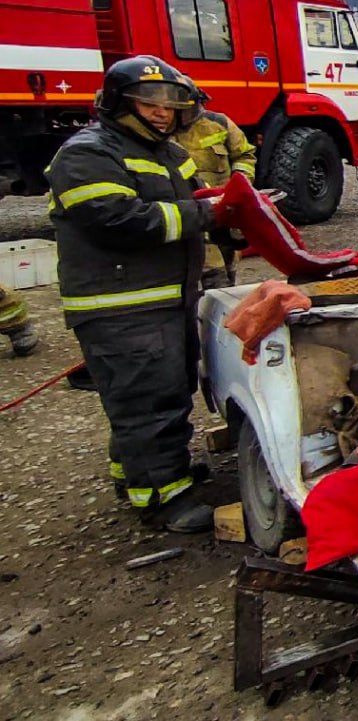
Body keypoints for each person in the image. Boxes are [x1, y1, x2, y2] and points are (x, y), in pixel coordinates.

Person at [45, 55, 229, 533]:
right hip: (119, 307)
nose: (162, 114)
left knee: (164, 392)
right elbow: (117, 219)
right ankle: (162, 501)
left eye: (170, 105)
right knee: (147, 402)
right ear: (118, 103)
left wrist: (237, 212)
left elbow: (200, 198)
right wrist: (204, 218)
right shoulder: (87, 154)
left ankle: (143, 475)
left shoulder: (167, 153)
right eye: (150, 104)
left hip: (163, 298)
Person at [173, 90, 257, 287]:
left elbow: (245, 155)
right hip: (193, 214)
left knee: (230, 267)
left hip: (225, 210)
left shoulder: (218, 123)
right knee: (213, 276)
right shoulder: (160, 133)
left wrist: (240, 183)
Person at [0, 285, 38, 356]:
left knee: (24, 342)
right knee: (25, 343)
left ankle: (24, 341)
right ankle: (24, 341)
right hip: (17, 317)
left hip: (12, 315)